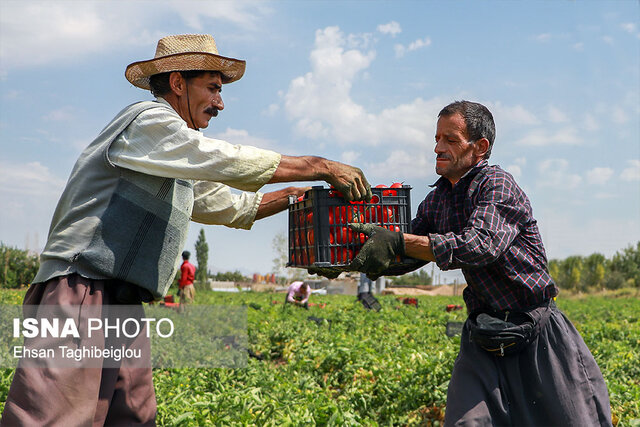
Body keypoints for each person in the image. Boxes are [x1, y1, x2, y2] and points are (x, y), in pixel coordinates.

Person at [1, 34, 372, 426]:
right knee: (53, 417)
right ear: (178, 84)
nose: (220, 102)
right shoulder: (149, 122)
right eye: (212, 88)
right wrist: (320, 164)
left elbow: (229, 204)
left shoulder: (174, 158)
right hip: (81, 288)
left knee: (131, 414)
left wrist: (296, 195)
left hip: (120, 298)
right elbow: (222, 159)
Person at [348, 101, 612, 426]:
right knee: (465, 423)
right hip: (483, 337)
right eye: (437, 138)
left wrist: (399, 242)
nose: (437, 147)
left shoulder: (497, 186)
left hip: (536, 332)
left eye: (450, 139)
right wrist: (354, 260)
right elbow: (407, 251)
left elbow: (481, 245)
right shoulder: (438, 199)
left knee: (571, 420)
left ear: (480, 147)